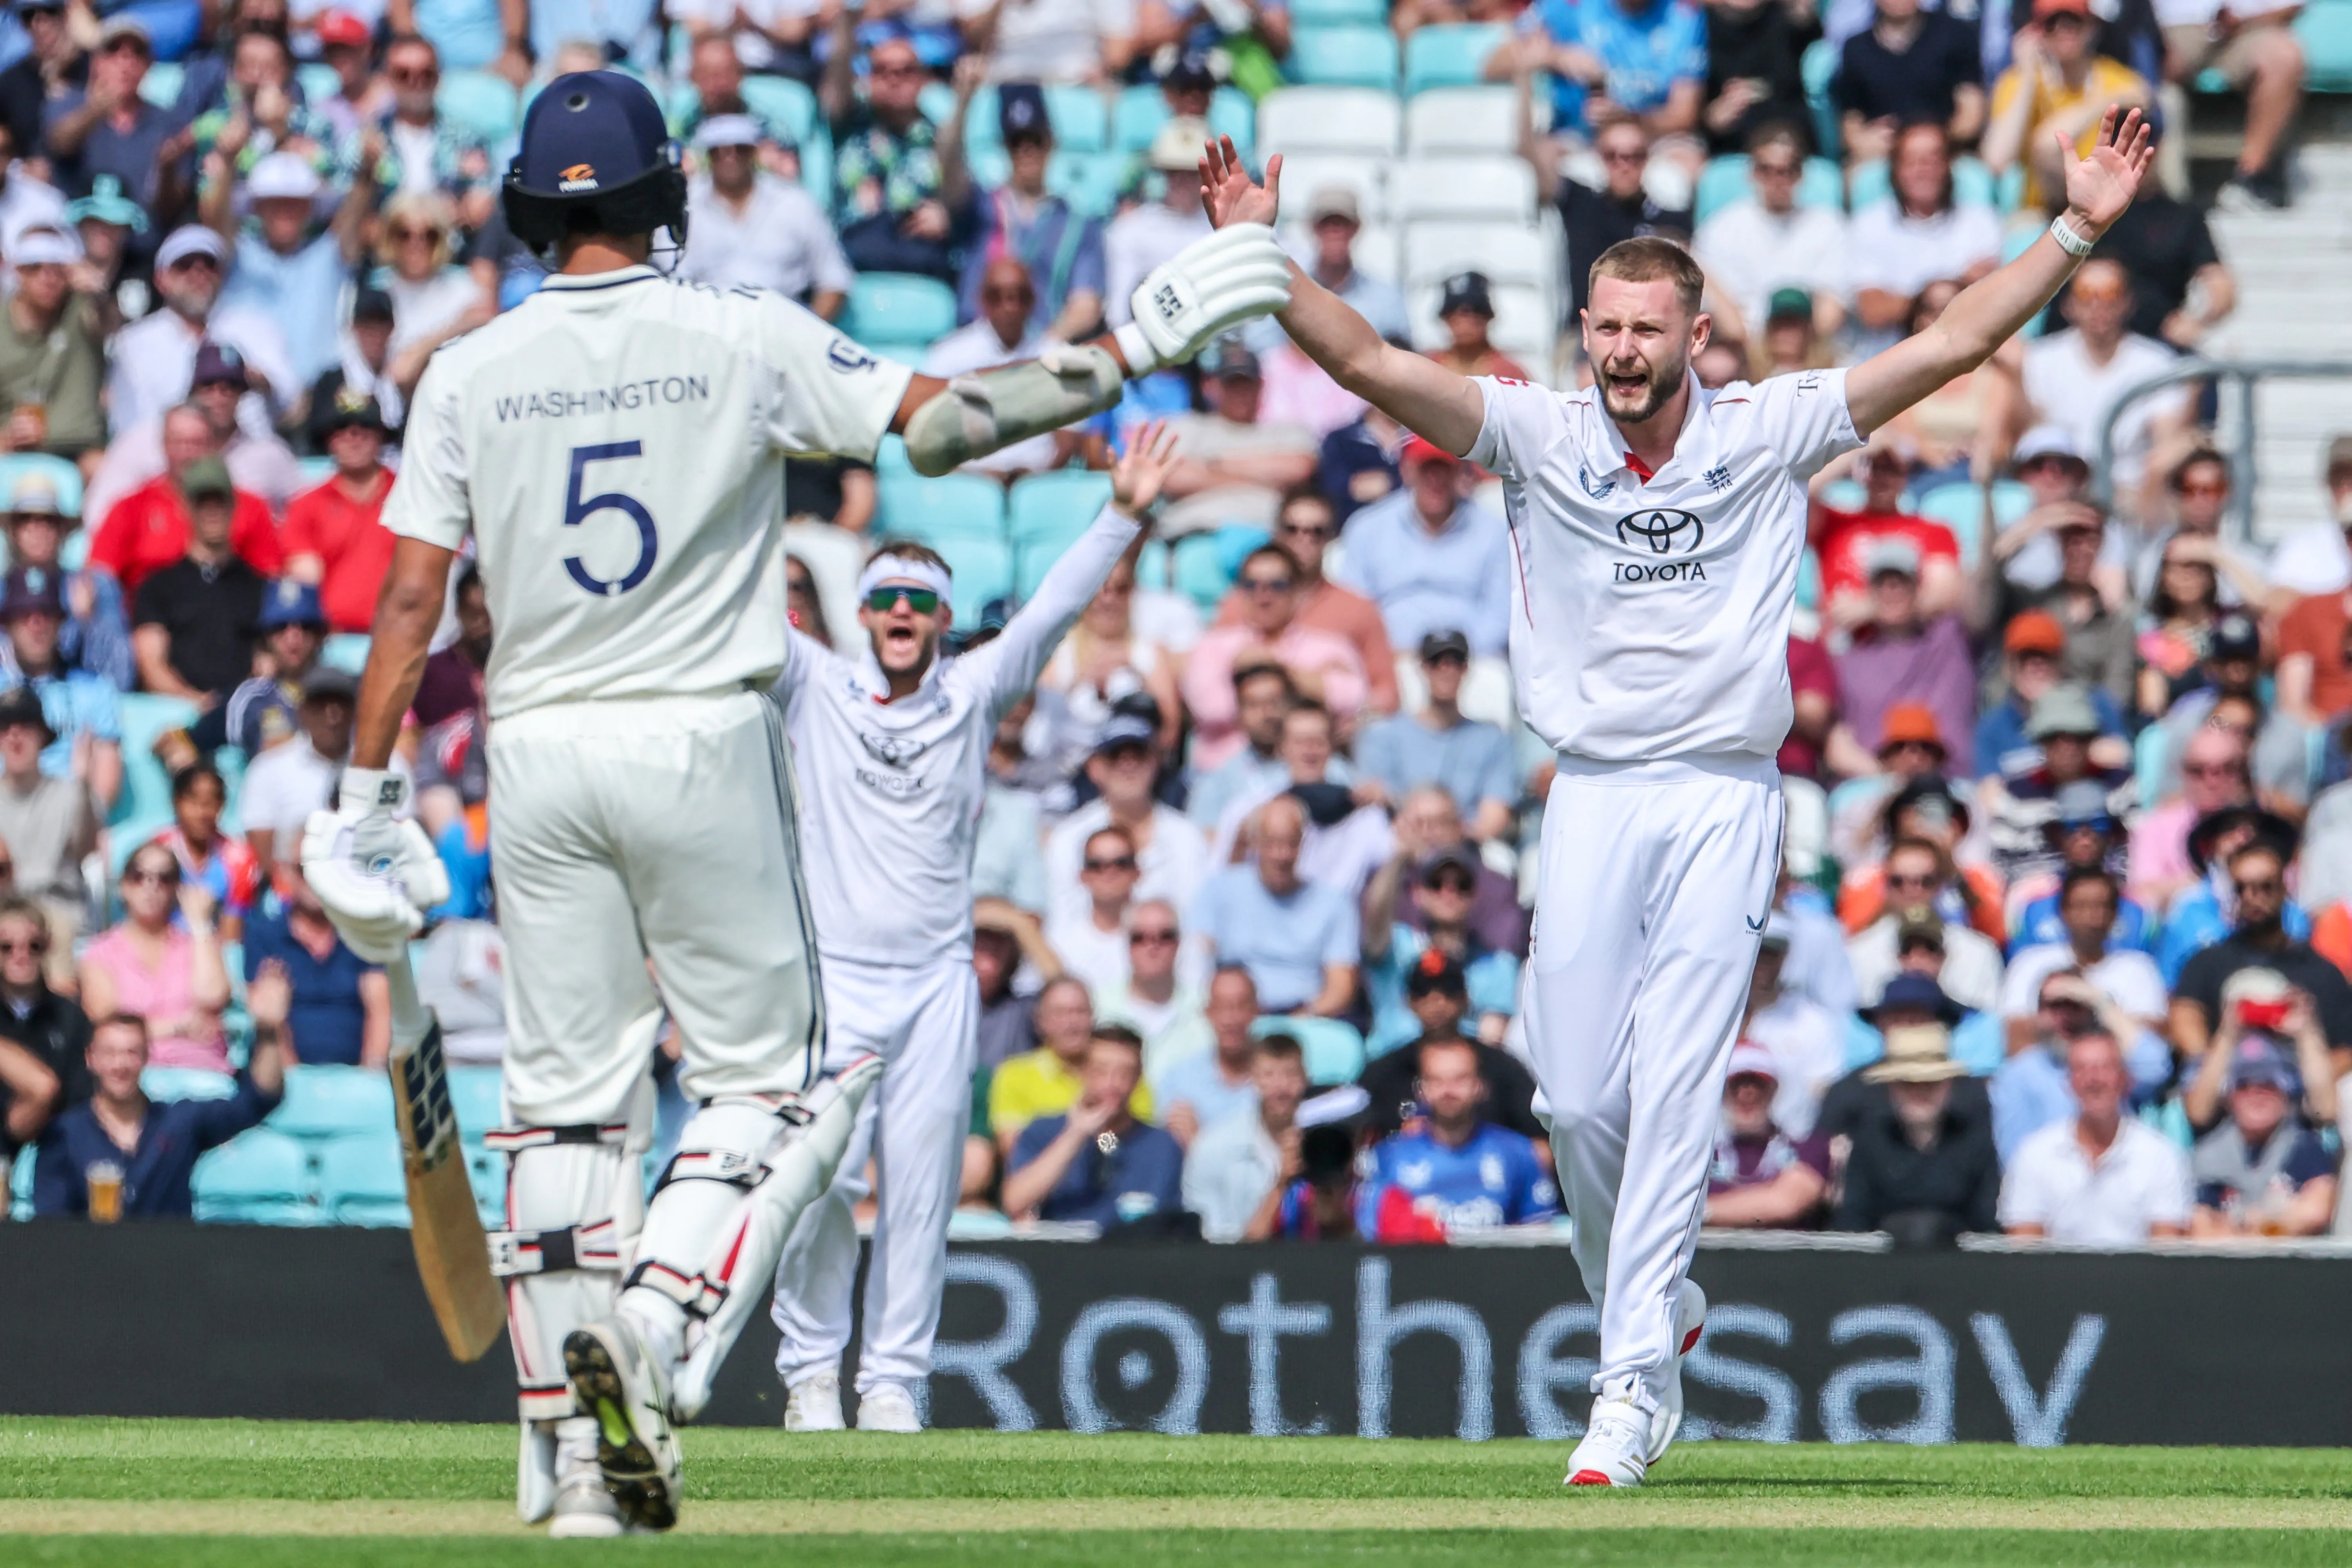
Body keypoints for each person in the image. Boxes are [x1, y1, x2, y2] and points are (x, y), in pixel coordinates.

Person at [299, 73, 1288, 1532]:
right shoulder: (742, 336)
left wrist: (366, 793)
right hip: (699, 736)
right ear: (667, 198)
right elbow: (949, 433)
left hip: (538, 752)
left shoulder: (463, 369)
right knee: (778, 1084)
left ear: (526, 209)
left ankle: (573, 1462)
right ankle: (650, 1321)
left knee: (563, 1115)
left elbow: (405, 602)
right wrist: (1144, 335)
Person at [1198, 98, 2160, 1484]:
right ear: (1584, 330)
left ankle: (1630, 1384)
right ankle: (1659, 1305)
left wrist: (2073, 228)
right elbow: (1361, 358)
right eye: (1607, 328)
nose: (1626, 351)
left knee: (1678, 1094)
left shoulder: (1767, 429)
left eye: (1650, 330)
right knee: (1578, 1104)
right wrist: (1256, 260)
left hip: (1722, 792)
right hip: (1589, 792)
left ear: (1695, 336)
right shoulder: (1534, 433)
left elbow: (1951, 343)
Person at [32, 1005, 287, 1218]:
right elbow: (52, 1226)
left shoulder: (179, 1121)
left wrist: (269, 1033)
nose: (120, 1065)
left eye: (131, 1052)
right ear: (91, 1058)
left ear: (147, 1056)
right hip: (92, 1268)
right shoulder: (64, 1133)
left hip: (170, 1268)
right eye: (110, 1053)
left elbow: (259, 1100)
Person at [1208, 486, 1397, 712]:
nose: (1303, 539)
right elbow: (1211, 681)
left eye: (1316, 531)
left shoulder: (1357, 609)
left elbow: (1387, 695)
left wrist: (1350, 721)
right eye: (1292, 529)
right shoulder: (1239, 604)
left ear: (1331, 538)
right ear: (1277, 533)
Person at [1181, 544, 1367, 770]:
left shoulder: (1329, 645)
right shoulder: (1214, 644)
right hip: (1225, 773)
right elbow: (1212, 708)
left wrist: (1273, 666)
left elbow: (1353, 698)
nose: (1263, 596)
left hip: (1307, 774)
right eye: (1252, 585)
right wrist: (1313, 683)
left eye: (1277, 585)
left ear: (1298, 592)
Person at [1356, 1035, 1558, 1241]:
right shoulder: (1389, 1158)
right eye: (1437, 1080)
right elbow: (1372, 1238)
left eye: (1460, 1079)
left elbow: (1540, 1232)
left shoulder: (1518, 1153)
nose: (1448, 1091)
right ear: (1422, 1089)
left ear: (1479, 1086)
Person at [2172, 838, 2352, 1068]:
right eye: (2241, 888)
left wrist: (2304, 1088)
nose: (2252, 897)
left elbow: (2346, 1051)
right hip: (2225, 1090)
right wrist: (2218, 1079)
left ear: (2285, 889)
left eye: (2265, 886)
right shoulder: (2207, 963)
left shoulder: (2322, 972)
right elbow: (2185, 1018)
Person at [1999, 1029, 2190, 1242]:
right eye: (2082, 1069)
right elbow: (2024, 1249)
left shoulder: (2159, 1156)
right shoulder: (2035, 1154)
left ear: (2125, 1080)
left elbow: (2165, 1251)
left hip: (2137, 1275)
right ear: (2069, 1083)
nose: (2093, 1080)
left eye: (2105, 1068)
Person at [1331, 442, 1513, 659]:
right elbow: (1353, 607)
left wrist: (1452, 656)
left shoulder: (1491, 531)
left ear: (1459, 473)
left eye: (1444, 469)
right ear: (1407, 472)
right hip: (1389, 658)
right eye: (1426, 469)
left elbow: (1501, 615)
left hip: (1468, 661)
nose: (1435, 480)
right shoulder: (1368, 527)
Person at [2021, 258, 2187, 496]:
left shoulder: (2158, 361)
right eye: (2086, 294)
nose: (2098, 305)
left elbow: (2166, 439)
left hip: (2131, 492)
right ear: (2068, 304)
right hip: (2059, 488)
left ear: (2129, 302)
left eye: (2111, 294)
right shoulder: (2040, 359)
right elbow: (2032, 436)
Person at [957, 83, 1106, 341]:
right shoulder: (979, 206)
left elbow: (1086, 305)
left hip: (1041, 349)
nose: (1026, 151)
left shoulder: (1078, 224)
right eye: (1016, 142)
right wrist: (962, 105)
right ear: (1004, 147)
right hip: (976, 344)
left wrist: (1036, 355)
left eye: (1035, 141)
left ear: (1051, 143)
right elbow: (947, 172)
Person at [1187, 793, 1358, 1018]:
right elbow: (1194, 959)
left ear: (1303, 844)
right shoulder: (1219, 889)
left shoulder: (1335, 903)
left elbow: (1341, 986)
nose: (1281, 855)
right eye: (1272, 843)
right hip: (1233, 1017)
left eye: (1290, 844)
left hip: (1303, 1016)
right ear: (1255, 843)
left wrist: (1304, 1016)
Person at [91, 405, 284, 598]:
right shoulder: (131, 508)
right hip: (148, 618)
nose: (186, 454)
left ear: (214, 446)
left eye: (196, 443)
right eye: (178, 443)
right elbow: (98, 577)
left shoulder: (249, 506)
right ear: (164, 445)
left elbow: (271, 579)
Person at [1001, 1025, 1184, 1227]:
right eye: (1102, 1071)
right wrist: (1076, 1133)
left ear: (1139, 1078)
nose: (1113, 1083)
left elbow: (1172, 1221)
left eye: (1125, 1073)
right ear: (1083, 1072)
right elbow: (1015, 1202)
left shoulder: (1162, 1145)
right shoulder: (1044, 1131)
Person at [1832, 1022, 2001, 1239]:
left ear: (1948, 1084)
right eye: (1908, 1083)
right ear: (1891, 1087)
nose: (1920, 1093)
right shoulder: (1870, 1139)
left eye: (1931, 1083)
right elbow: (1854, 1220)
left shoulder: (1974, 1139)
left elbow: (1985, 1222)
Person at [1043, 715, 1214, 927]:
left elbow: (1196, 919)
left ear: (1156, 762)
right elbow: (1062, 919)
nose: (1128, 765)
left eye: (1139, 754)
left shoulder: (1187, 837)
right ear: (1095, 768)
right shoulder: (1069, 838)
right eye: (1116, 756)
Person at [79, 841, 232, 1075]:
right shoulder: (100, 953)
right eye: (139, 876)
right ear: (123, 886)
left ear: (177, 889)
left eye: (165, 878)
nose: (151, 886)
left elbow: (213, 996)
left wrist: (200, 924)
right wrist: (180, 1026)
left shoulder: (198, 945)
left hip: (200, 1070)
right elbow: (107, 1023)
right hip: (132, 1076)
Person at [1985, 0, 2151, 217]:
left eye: (2073, 22)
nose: (2064, 31)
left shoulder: (2109, 76)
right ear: (2036, 32)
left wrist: (2099, 103)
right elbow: (1997, 160)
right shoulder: (2017, 82)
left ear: (2092, 28)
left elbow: (2144, 96)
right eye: (2052, 23)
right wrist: (2027, 77)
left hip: (2105, 207)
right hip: (2040, 213)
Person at [1844, 123, 2002, 349]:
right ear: (1895, 169)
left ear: (1948, 165)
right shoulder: (1868, 225)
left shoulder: (1981, 221)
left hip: (1965, 351)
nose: (1922, 171)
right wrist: (1948, 291)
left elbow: (1988, 298)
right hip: (1889, 356)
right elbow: (1873, 310)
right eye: (1911, 161)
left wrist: (1901, 300)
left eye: (1931, 160)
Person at [1832, 537, 1979, 776]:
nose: (1893, 590)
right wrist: (1885, 777)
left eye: (1902, 582)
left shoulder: (1951, 638)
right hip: (1876, 782)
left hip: (1950, 782)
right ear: (1870, 591)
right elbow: (1839, 743)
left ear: (1918, 587)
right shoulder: (1850, 661)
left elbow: (1974, 591)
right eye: (1883, 583)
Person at [1355, 631, 1519, 844]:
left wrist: (1450, 838)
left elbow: (1494, 816)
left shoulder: (1493, 739)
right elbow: (1373, 800)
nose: (1446, 669)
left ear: (1466, 669)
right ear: (1422, 668)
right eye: (1436, 661)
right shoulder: (1383, 736)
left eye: (1456, 662)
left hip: (1465, 848)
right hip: (1400, 844)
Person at [677, 114, 852, 312]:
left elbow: (835, 280)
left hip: (782, 326)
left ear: (754, 152)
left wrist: (807, 335)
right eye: (719, 151)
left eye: (740, 149)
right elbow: (669, 279)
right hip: (708, 326)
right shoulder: (684, 207)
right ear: (708, 156)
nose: (730, 157)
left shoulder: (795, 203)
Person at [1693, 124, 1848, 341]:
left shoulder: (1829, 227)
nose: (1777, 180)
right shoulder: (1721, 227)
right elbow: (1717, 303)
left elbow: (1832, 305)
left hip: (1810, 348)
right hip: (1742, 348)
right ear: (1753, 172)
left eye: (1786, 170)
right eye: (1766, 169)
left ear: (1801, 174)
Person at [922, 257, 1069, 480]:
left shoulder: (1058, 355)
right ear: (982, 300)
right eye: (996, 296)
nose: (1010, 306)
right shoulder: (948, 356)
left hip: (1037, 482)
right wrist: (975, 478)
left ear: (1033, 301)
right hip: (967, 483)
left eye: (1021, 296)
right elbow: (931, 434)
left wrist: (1036, 480)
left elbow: (1071, 437)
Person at [2185, 1033, 2339, 1237]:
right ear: (2229, 1096)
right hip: (2226, 1267)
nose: (2256, 1095)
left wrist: (2247, 1228)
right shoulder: (2208, 1153)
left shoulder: (2308, 1148)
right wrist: (2274, 1223)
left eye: (2268, 1084)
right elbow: (2200, 1228)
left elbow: (2315, 1213)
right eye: (2244, 1085)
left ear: (2287, 1091)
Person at [1160, 343, 1319, 538]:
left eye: (1247, 384)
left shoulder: (1288, 431)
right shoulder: (1186, 427)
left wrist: (1213, 464)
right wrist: (1265, 480)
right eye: (1232, 385)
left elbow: (1299, 469)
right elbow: (1172, 478)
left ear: (1261, 385)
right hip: (1198, 533)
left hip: (1268, 538)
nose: (1240, 393)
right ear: (1210, 386)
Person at [0, 566, 122, 810]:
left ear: (61, 622)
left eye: (47, 614)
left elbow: (106, 780)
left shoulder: (95, 690)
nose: (37, 625)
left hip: (72, 820)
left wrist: (82, 820)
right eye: (25, 615)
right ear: (8, 625)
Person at [279, 395, 396, 634]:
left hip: (401, 637)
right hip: (331, 642)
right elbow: (304, 583)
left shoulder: (412, 498)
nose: (353, 438)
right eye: (341, 429)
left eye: (365, 427)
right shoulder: (306, 506)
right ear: (328, 438)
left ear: (381, 436)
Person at [2, 477, 130, 693]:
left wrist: (89, 624)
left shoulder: (97, 586)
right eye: (26, 520)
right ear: (13, 531)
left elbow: (121, 677)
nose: (38, 530)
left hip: (79, 706)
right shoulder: (2, 591)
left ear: (63, 530)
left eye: (49, 521)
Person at [1182, 1032, 1310, 1242]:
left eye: (1291, 1075)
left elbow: (1346, 1235)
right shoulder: (1213, 1146)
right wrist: (1281, 1183)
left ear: (1306, 1078)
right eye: (1269, 1076)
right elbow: (1221, 1247)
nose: (1281, 1088)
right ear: (1253, 1079)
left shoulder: (1328, 1141)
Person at [0, 686, 94, 970]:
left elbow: (87, 850)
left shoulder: (70, 793)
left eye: (25, 726)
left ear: (42, 736)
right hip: (5, 913)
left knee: (55, 937)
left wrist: (85, 787)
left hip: (57, 914)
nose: (14, 735)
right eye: (5, 727)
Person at [0, 225, 107, 463]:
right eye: (35, 267)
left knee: (101, 470)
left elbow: (113, 328)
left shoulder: (81, 309)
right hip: (13, 452)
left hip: (80, 452)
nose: (48, 279)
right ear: (18, 271)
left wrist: (99, 293)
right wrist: (6, 439)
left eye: (58, 269)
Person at [1835, 0, 1985, 164]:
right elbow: (1851, 123)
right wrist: (1864, 142)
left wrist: (1924, 141)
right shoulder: (1856, 48)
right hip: (1881, 157)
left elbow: (1971, 117)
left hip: (1948, 155)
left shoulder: (1956, 35)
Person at [1701, 1042, 1828, 1229]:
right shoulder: (1705, 1156)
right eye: (1737, 1085)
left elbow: (1786, 1203)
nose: (1746, 1094)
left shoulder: (1807, 1147)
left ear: (1773, 1090)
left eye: (1757, 1084)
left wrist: (1700, 1213)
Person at [1105, 118, 1215, 330]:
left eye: (1193, 173)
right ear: (1163, 173)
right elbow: (1119, 312)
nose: (1183, 182)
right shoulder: (1130, 230)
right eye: (1174, 172)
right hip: (1152, 342)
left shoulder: (1224, 229)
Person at [1096, 899, 1210, 1082]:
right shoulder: (1098, 1006)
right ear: (1127, 944)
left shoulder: (1206, 1006)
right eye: (1140, 937)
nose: (1152, 946)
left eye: (1165, 936)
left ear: (1179, 943)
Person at [1152, 964, 1265, 1148]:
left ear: (1257, 1011)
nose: (1230, 1019)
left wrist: (1200, 1143)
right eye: (1221, 1007)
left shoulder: (1276, 1082)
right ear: (1208, 1013)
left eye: (1241, 1006)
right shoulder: (1179, 1080)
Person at [0, 895, 92, 1113]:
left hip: (56, 1141)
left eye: (34, 946)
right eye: (6, 947)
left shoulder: (71, 1017)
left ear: (48, 946)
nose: (21, 956)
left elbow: (81, 1098)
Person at [154, 762, 262, 940]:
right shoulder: (157, 852)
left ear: (222, 805)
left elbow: (232, 937)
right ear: (176, 802)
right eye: (193, 800)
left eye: (211, 802)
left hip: (215, 956)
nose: (202, 812)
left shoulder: (240, 858)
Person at [1425, 272, 1529, 382]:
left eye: (1476, 310)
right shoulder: (1427, 369)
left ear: (1488, 317)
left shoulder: (1510, 374)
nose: (1465, 320)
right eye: (1453, 311)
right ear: (1445, 318)